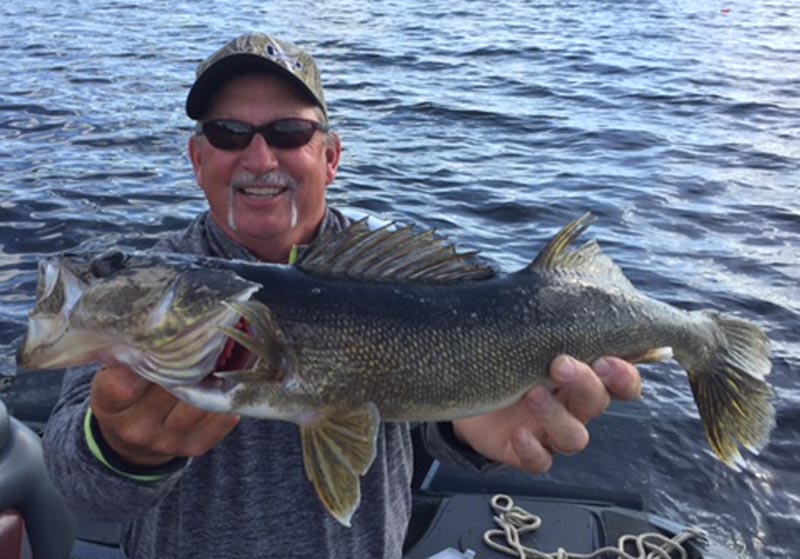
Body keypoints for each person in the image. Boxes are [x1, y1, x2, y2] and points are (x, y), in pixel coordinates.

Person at [42, 33, 642, 558]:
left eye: (289, 132)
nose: (258, 158)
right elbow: (76, 480)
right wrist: (121, 449)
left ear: (330, 157)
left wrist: (468, 427)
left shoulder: (392, 273)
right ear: (198, 160)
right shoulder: (149, 295)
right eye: (228, 134)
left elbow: (424, 421)